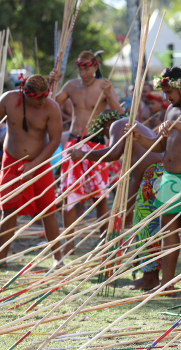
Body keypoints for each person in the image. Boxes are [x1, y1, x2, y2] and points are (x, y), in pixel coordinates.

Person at [129, 67, 181, 297]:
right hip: (170, 179)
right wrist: (141, 138)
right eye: (164, 92)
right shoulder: (170, 109)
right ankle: (166, 284)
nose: (166, 97)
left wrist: (176, 124)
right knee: (167, 231)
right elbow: (160, 145)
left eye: (169, 92)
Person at [69, 110, 164, 290]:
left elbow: (112, 153)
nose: (108, 137)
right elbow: (135, 179)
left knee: (148, 228)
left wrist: (83, 154)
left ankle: (150, 279)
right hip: (158, 175)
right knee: (150, 228)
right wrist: (127, 209)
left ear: (107, 125)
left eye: (105, 135)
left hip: (154, 176)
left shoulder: (118, 125)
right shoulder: (134, 129)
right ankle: (150, 276)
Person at [0, 75, 63, 266]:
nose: (42, 101)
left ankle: (58, 259)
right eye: (38, 98)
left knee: (48, 211)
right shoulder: (10, 99)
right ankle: (1, 259)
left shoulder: (51, 107)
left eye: (45, 97)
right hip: (11, 162)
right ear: (26, 94)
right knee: (8, 210)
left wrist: (34, 164)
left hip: (40, 164)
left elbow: (54, 140)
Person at [50, 50, 124, 254]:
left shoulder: (104, 86)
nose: (84, 72)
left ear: (95, 66)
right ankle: (68, 247)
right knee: (69, 196)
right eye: (81, 68)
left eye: (88, 68)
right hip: (74, 143)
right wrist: (52, 84)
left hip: (96, 144)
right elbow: (50, 104)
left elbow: (120, 115)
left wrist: (109, 95)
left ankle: (104, 245)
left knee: (99, 197)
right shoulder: (71, 86)